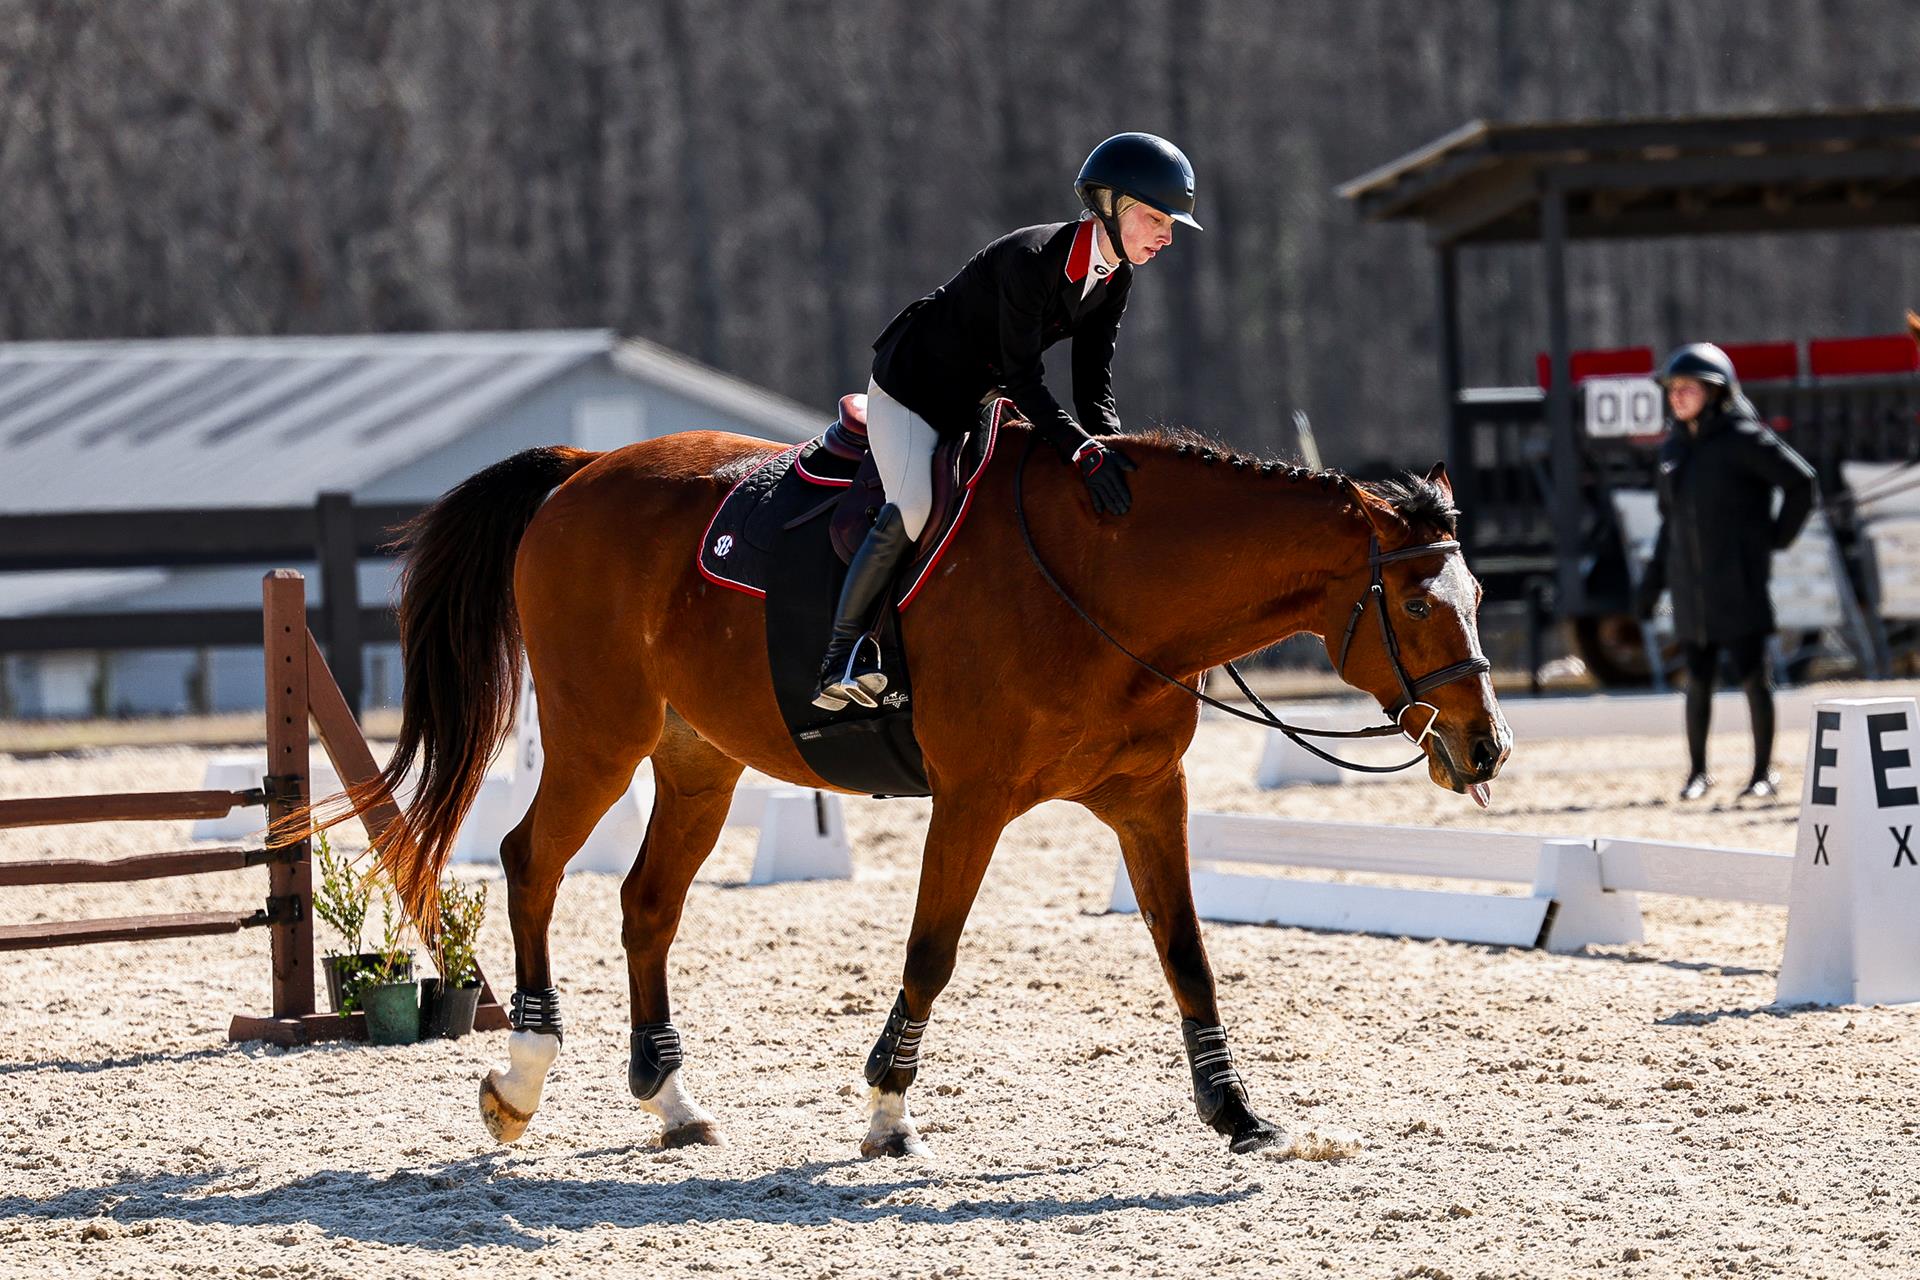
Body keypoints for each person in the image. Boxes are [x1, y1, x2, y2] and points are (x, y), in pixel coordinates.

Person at [811, 132, 1201, 711]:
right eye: (1155, 218)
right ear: (1110, 206)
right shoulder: (1033, 260)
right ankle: (841, 656)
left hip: (974, 402)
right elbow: (1025, 380)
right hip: (914, 391)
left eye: (1172, 224)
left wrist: (1112, 447)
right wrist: (1081, 450)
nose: (1167, 236)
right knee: (914, 506)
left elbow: (1093, 382)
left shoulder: (1115, 275)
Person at [1634, 342, 1816, 801]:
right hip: (1690, 591)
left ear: (1716, 392)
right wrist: (1652, 583)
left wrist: (1777, 538)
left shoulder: (1742, 438)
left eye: (1687, 388)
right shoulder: (1673, 448)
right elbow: (1669, 523)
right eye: (1672, 389)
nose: (1676, 397)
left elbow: (1802, 482)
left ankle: (1762, 773)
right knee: (1697, 681)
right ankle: (1697, 773)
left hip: (1740, 585)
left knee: (1755, 678)